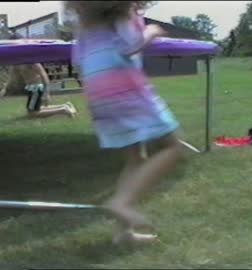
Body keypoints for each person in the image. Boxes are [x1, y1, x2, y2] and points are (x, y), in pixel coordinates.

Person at [66, 1, 184, 244]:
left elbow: (79, 61)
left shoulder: (85, 30)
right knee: (173, 146)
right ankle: (122, 202)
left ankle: (124, 234)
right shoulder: (124, 17)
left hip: (100, 99)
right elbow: (132, 46)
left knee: (135, 159)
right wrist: (151, 31)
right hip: (127, 91)